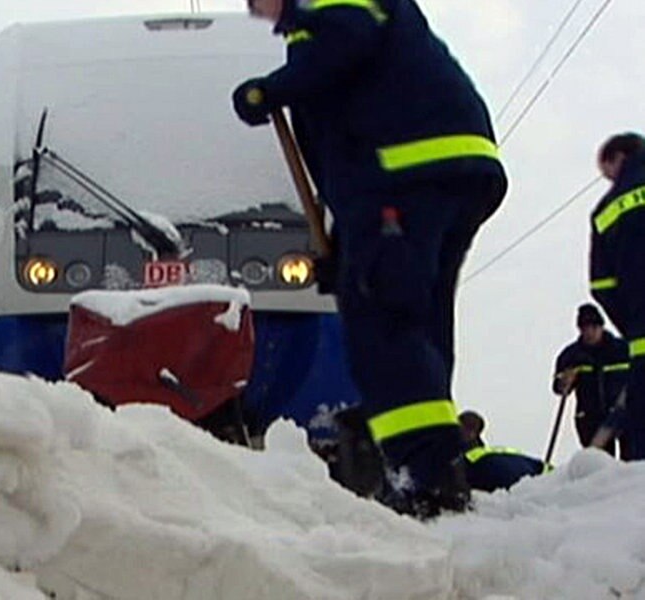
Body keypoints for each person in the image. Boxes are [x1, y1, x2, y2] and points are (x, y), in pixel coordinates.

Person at [232, 0, 507, 518]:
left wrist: (269, 90)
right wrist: (346, 245)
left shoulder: (325, 15)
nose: (257, 13)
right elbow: (341, 136)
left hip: (407, 172)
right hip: (430, 175)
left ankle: (426, 477)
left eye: (256, 2)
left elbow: (347, 40)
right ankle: (434, 461)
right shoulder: (324, 32)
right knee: (416, 316)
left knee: (381, 319)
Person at [589, 132, 645, 460]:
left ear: (618, 158)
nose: (608, 179)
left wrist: (633, 321)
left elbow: (602, 284)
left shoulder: (606, 210)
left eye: (606, 170)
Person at [552, 303, 629, 457]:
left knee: (632, 464)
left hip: (624, 414)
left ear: (601, 327)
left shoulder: (623, 350)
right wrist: (564, 383)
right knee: (600, 467)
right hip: (590, 420)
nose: (590, 333)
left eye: (593, 327)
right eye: (585, 328)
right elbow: (558, 388)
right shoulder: (571, 356)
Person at [458, 411, 546, 493]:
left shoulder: (476, 457)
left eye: (472, 429)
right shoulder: (466, 456)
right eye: (466, 427)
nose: (469, 434)